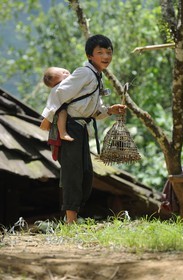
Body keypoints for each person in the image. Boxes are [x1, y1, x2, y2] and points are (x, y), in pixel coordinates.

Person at [41, 34, 127, 224]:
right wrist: (48, 117)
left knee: (86, 174)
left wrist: (110, 110)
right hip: (70, 126)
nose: (105, 56)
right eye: (100, 52)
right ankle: (70, 222)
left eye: (109, 52)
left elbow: (94, 109)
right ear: (90, 55)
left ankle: (73, 217)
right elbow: (59, 92)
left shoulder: (97, 76)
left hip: (80, 127)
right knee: (73, 173)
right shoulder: (84, 73)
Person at [40, 67, 74, 141]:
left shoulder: (76, 77)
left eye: (63, 71)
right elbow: (52, 106)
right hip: (62, 108)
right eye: (63, 77)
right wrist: (47, 118)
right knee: (62, 112)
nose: (65, 74)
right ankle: (63, 133)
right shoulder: (58, 89)